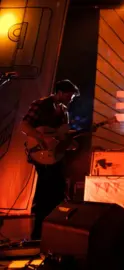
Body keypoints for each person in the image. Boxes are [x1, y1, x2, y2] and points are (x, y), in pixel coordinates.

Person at [20, 79, 80, 240]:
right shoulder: (40, 104)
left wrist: (70, 143)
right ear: (59, 92)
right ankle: (38, 235)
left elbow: (60, 137)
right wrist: (41, 138)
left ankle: (53, 231)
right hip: (41, 155)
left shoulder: (64, 111)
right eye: (69, 95)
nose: (71, 99)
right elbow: (25, 126)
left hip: (55, 156)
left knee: (58, 191)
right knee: (45, 192)